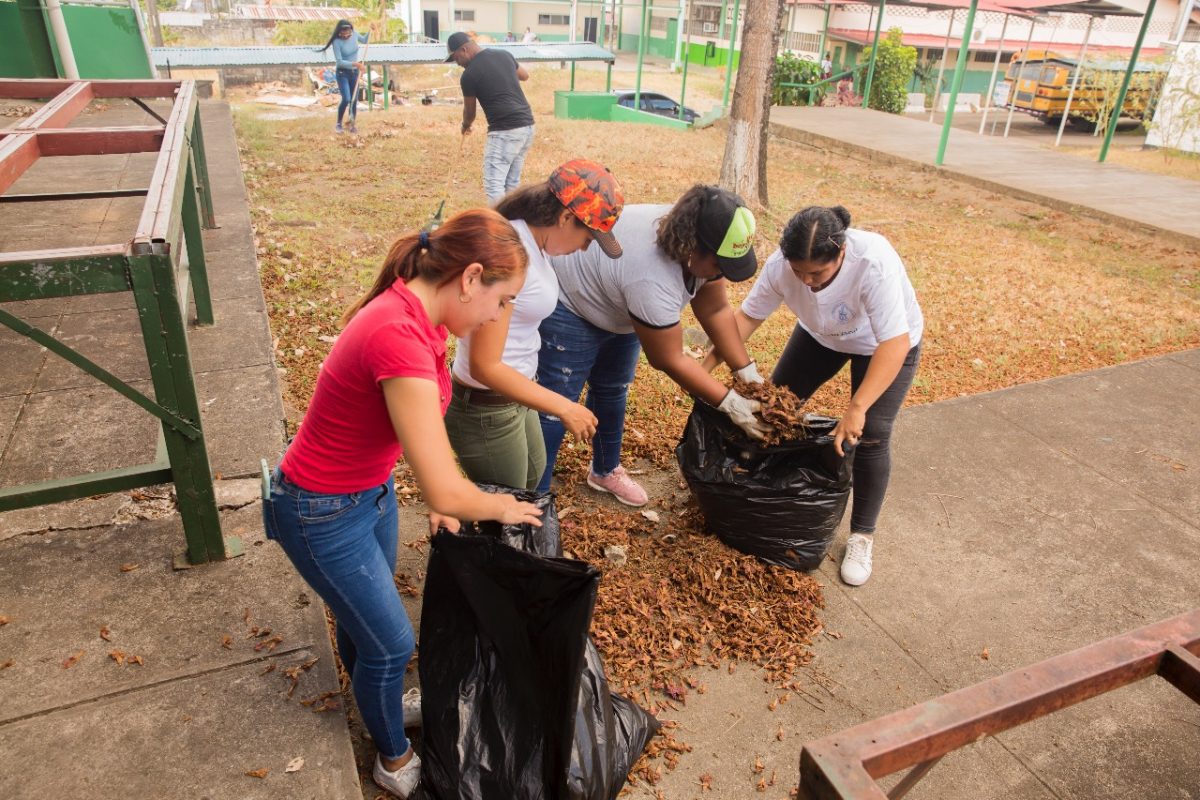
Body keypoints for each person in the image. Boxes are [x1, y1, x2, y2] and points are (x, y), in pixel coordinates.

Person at [262, 209, 542, 799]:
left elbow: (410, 434)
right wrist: (491, 506)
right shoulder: (397, 332)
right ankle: (392, 758)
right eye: (501, 299)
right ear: (470, 278)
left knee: (368, 628)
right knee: (391, 644)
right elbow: (444, 485)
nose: (498, 315)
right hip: (319, 513)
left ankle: (374, 689)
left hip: (372, 494)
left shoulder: (423, 315)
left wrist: (443, 496)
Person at [705, 206, 923, 587]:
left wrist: (857, 408)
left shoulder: (872, 262)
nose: (807, 282)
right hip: (820, 337)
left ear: (840, 252)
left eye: (817, 273)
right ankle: (757, 486)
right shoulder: (779, 267)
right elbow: (746, 320)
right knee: (774, 409)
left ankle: (861, 536)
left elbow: (895, 341)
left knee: (870, 432)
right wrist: (702, 368)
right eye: (799, 272)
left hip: (883, 345)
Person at [536, 185, 768, 506]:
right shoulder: (650, 276)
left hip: (620, 300)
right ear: (692, 249)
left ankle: (604, 470)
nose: (722, 274)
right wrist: (730, 403)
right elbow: (668, 358)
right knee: (556, 403)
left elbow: (715, 309)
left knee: (613, 388)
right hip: (572, 301)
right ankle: (532, 496)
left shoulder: (699, 245)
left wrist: (747, 372)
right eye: (719, 264)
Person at [445, 159, 624, 490]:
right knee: (506, 511)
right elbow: (484, 365)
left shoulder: (534, 244)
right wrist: (563, 406)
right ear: (566, 217)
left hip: (517, 397)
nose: (585, 248)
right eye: (588, 238)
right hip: (488, 406)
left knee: (528, 488)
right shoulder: (512, 254)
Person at [446, 32, 535, 203]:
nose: (456, 63)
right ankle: (512, 225)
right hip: (527, 126)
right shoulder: (503, 55)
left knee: (494, 185)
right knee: (512, 184)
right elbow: (524, 75)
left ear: (464, 50)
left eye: (455, 58)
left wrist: (465, 125)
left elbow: (470, 112)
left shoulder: (469, 75)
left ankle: (498, 229)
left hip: (505, 130)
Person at [319, 19, 368, 134]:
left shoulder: (355, 34)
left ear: (351, 30)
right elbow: (340, 62)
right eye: (343, 34)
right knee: (346, 98)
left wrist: (371, 30)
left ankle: (352, 124)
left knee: (354, 100)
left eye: (348, 33)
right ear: (339, 32)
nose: (346, 36)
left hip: (354, 73)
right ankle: (338, 124)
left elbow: (365, 40)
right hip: (342, 73)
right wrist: (356, 64)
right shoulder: (336, 42)